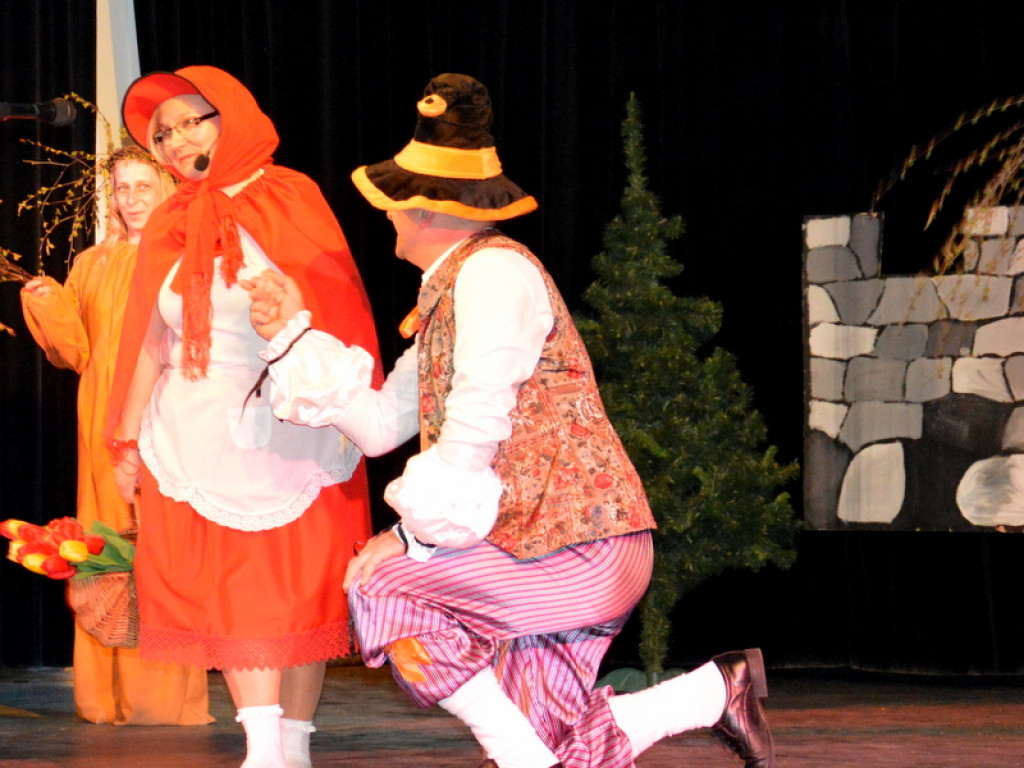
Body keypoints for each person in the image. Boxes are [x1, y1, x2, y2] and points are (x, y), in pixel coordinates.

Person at [246, 73, 776, 768]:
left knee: (381, 587)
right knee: (563, 745)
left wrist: (407, 541)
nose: (388, 216)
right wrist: (291, 335)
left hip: (578, 548)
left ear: (426, 210)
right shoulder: (448, 297)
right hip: (531, 552)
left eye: (396, 203)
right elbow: (376, 426)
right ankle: (711, 692)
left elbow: (474, 430)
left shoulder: (493, 275)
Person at [103, 66, 381, 768]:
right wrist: (126, 439)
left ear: (230, 116)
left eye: (190, 122)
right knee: (234, 593)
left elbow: (336, 311)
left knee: (297, 597)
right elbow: (149, 339)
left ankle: (292, 750)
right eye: (161, 135)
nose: (175, 141)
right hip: (194, 435)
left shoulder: (290, 196)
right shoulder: (171, 220)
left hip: (288, 430)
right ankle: (262, 750)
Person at [21, 145, 211, 726]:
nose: (130, 200)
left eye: (142, 187)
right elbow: (76, 352)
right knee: (106, 539)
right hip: (101, 416)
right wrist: (49, 304)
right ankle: (105, 695)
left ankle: (164, 698)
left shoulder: (183, 256)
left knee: (159, 544)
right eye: (122, 189)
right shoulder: (92, 263)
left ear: (166, 190)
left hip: (163, 411)